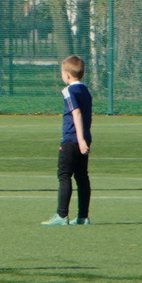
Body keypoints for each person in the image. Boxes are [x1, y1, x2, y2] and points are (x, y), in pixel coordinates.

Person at [44, 55, 94, 225]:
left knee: (64, 175)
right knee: (82, 176)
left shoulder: (68, 91)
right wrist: (84, 138)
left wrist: (79, 139)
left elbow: (76, 113)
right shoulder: (85, 90)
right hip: (85, 136)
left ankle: (62, 215)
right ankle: (83, 216)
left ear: (67, 74)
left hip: (72, 138)